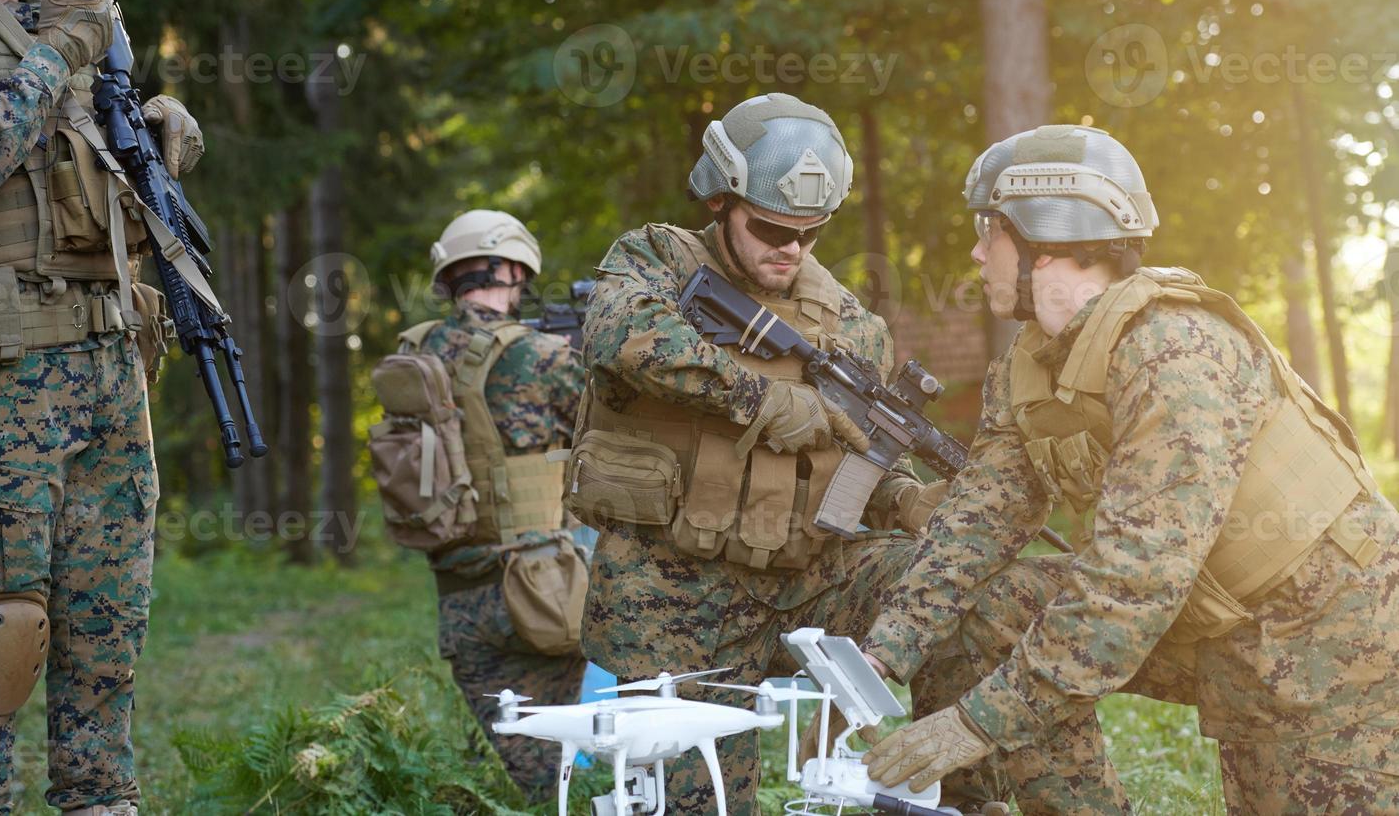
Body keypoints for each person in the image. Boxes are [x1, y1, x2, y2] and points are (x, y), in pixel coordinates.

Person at [860, 124, 1399, 815]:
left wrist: (977, 723)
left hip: (1334, 644)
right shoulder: (1031, 366)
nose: (975, 250)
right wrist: (876, 662)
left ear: (1043, 237)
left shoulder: (1176, 353)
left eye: (988, 229)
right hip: (1216, 624)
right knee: (1000, 604)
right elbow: (974, 525)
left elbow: (1134, 576)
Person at [575, 93, 1026, 814]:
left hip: (807, 582)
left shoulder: (850, 324)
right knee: (702, 804)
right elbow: (619, 335)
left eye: (812, 234)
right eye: (771, 227)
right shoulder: (654, 258)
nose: (791, 247)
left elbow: (855, 462)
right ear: (720, 200)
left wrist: (904, 497)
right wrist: (763, 400)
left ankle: (961, 795)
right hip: (673, 593)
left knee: (954, 585)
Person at [0, 0, 202, 813]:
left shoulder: (63, 26)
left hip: (105, 361)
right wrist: (65, 51)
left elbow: (82, 192)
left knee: (105, 623)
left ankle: (101, 799)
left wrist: (152, 137)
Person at [397, 209, 587, 796]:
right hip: (539, 592)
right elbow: (611, 432)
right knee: (544, 781)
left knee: (499, 767)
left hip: (459, 594)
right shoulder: (542, 357)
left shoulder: (414, 354)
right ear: (510, 268)